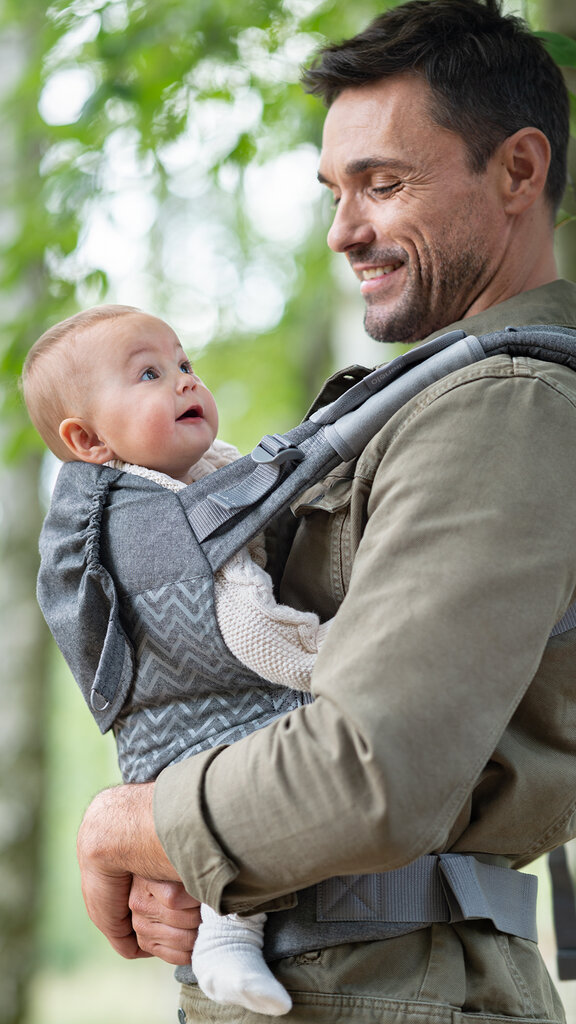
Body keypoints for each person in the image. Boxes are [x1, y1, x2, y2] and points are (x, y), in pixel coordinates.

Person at [70, 0, 576, 1021]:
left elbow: (373, 770)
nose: (345, 230)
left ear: (519, 171)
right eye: (334, 190)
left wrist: (126, 824)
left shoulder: (503, 402)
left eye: (383, 184)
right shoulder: (428, 399)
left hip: (391, 986)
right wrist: (206, 870)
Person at [22, 304, 335, 1016]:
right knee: (234, 812)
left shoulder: (191, 480)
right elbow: (253, 629)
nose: (185, 382)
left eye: (185, 364)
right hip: (202, 730)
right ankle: (227, 947)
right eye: (150, 374)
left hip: (177, 735)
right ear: (89, 440)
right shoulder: (154, 521)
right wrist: (338, 659)